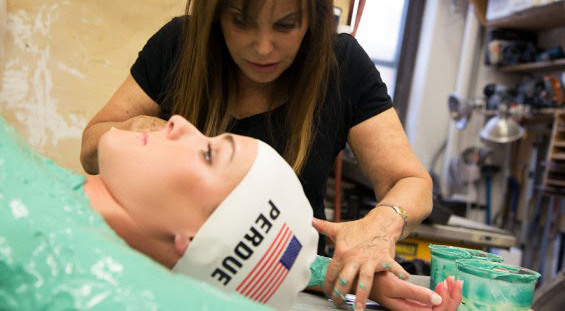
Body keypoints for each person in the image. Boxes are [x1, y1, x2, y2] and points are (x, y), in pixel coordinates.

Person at [80, 0, 434, 309]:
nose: (263, 47)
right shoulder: (178, 45)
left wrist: (375, 232)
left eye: (286, 25)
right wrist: (132, 130)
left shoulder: (342, 66)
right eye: (241, 21)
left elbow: (410, 181)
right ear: (216, 14)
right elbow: (93, 145)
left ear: (312, 18)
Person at [1, 115, 461, 310]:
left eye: (206, 154)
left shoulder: (47, 250)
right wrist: (347, 278)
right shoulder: (66, 209)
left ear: (191, 239)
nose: (178, 123)